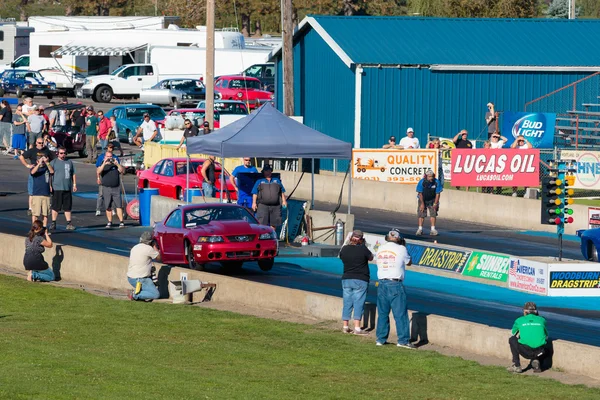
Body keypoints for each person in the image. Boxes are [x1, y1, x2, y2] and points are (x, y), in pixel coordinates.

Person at [374, 228, 415, 349]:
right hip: (395, 283)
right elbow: (409, 262)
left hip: (381, 283)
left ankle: (380, 339)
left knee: (382, 313)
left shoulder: (380, 248)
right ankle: (403, 340)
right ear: (398, 239)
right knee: (400, 314)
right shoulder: (401, 249)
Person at [339, 230, 373, 335]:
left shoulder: (344, 249)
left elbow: (341, 256)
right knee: (358, 303)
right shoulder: (363, 249)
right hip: (360, 279)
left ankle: (345, 326)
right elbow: (371, 257)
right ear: (361, 239)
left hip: (346, 278)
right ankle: (357, 328)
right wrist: (364, 246)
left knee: (347, 302)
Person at [507, 302, 549, 374]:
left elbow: (512, 333)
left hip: (526, 351)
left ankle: (517, 365)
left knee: (512, 339)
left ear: (525, 311)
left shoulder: (519, 320)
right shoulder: (542, 320)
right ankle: (536, 360)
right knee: (542, 344)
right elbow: (546, 336)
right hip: (540, 352)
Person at [19, 139, 55, 216]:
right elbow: (21, 157)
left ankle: (42, 208)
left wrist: (48, 163)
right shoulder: (32, 150)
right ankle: (30, 208)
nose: (41, 144)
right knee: (32, 191)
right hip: (34, 172)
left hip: (44, 172)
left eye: (42, 143)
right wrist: (27, 165)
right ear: (36, 143)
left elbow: (53, 159)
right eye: (39, 143)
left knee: (43, 190)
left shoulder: (46, 150)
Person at [127, 231, 161, 301]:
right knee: (156, 294)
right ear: (150, 242)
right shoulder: (148, 249)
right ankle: (134, 295)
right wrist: (154, 246)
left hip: (131, 278)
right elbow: (159, 258)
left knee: (149, 286)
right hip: (141, 279)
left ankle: (140, 293)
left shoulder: (134, 248)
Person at [252, 164, 287, 230]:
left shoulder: (277, 180)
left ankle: (272, 236)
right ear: (263, 172)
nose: (268, 172)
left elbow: (282, 191)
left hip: (275, 206)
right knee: (262, 223)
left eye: (269, 170)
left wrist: (284, 201)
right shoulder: (259, 181)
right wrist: (254, 203)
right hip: (262, 206)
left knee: (274, 224)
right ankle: (262, 238)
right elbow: (254, 193)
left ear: (271, 171)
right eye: (266, 170)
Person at [49, 146, 77, 231]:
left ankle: (69, 223)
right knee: (56, 206)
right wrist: (50, 185)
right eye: (61, 153)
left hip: (67, 188)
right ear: (58, 153)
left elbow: (73, 173)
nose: (63, 155)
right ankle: (53, 222)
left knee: (67, 207)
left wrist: (74, 184)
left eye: (64, 153)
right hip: (57, 187)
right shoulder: (54, 162)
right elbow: (50, 175)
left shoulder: (69, 162)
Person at [96, 149, 125, 228]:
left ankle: (121, 222)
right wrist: (104, 164)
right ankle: (109, 222)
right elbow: (98, 171)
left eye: (110, 157)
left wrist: (117, 164)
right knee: (108, 206)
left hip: (116, 187)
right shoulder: (103, 164)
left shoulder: (115, 164)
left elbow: (122, 171)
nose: (109, 158)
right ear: (105, 157)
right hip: (106, 188)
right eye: (108, 157)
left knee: (118, 205)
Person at [95, 143, 120, 216]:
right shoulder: (101, 157)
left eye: (112, 148)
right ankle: (98, 209)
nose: (111, 149)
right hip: (104, 177)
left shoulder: (115, 157)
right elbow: (98, 168)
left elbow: (119, 168)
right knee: (101, 194)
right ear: (107, 148)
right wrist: (98, 178)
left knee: (112, 195)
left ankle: (112, 209)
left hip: (112, 178)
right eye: (109, 148)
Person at [30, 152, 54, 228]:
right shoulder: (34, 167)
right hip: (37, 193)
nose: (42, 162)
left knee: (45, 213)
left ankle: (44, 229)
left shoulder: (47, 167)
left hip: (46, 193)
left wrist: (47, 162)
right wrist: (39, 164)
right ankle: (34, 229)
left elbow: (52, 171)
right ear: (37, 161)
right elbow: (32, 172)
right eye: (41, 161)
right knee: (35, 213)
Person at [416, 169, 442, 236]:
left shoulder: (437, 182)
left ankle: (433, 229)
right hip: (423, 199)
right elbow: (420, 193)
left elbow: (438, 194)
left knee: (433, 213)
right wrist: (422, 204)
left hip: (432, 199)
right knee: (421, 213)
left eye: (432, 176)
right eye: (429, 176)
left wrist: (435, 203)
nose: (431, 178)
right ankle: (420, 229)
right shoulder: (422, 182)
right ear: (426, 176)